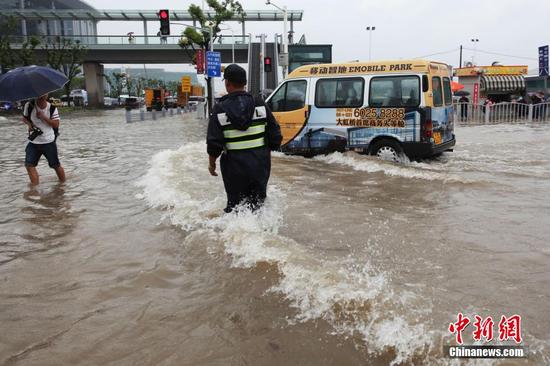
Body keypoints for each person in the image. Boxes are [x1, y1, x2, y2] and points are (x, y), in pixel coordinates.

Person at [207, 64, 282, 213]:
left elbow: (214, 142)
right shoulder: (259, 104)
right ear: (245, 82)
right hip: (259, 165)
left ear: (227, 83)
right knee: (258, 207)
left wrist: (212, 164)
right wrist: (266, 151)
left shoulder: (220, 109)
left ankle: (235, 234)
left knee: (235, 206)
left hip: (233, 168)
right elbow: (275, 135)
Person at [21, 94, 66, 185]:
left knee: (55, 165)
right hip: (33, 142)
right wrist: (30, 125)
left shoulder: (52, 108)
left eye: (44, 94)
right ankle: (34, 189)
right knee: (29, 165)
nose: (42, 96)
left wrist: (43, 117)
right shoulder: (29, 105)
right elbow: (24, 118)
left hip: (48, 142)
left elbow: (56, 124)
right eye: (40, 95)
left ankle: (63, 185)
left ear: (47, 95)